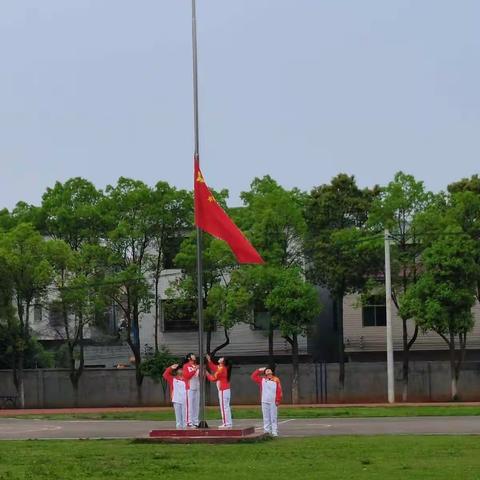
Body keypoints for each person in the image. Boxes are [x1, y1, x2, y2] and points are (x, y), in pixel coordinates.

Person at [251, 366, 282, 436]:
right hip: (264, 401)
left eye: (269, 369)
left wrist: (278, 400)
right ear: (265, 373)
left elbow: (279, 391)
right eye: (266, 370)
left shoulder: (276, 379)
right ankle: (267, 431)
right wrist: (259, 370)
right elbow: (253, 377)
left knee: (273, 417)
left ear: (272, 372)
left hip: (273, 401)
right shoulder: (262, 380)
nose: (268, 370)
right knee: (266, 417)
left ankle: (274, 432)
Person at [206, 353, 232, 428]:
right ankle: (228, 423)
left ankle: (226, 423)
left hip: (223, 390)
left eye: (222, 358)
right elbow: (213, 367)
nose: (220, 358)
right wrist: (209, 360)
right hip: (225, 390)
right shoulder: (221, 367)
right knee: (226, 406)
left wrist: (207, 374)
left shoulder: (221, 369)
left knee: (224, 407)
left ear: (223, 362)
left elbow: (213, 378)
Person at [162, 363, 187, 429]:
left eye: (182, 369)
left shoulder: (187, 379)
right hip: (176, 399)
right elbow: (165, 375)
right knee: (178, 416)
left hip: (185, 400)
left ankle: (185, 428)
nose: (181, 371)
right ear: (176, 371)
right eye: (179, 370)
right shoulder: (173, 379)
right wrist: (171, 367)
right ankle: (179, 428)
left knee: (185, 416)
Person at [182, 353, 200, 427]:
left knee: (196, 405)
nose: (194, 356)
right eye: (192, 355)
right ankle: (189, 421)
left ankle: (195, 421)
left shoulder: (196, 365)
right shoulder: (186, 366)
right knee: (189, 405)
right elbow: (187, 376)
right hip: (190, 387)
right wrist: (195, 369)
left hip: (197, 387)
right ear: (189, 358)